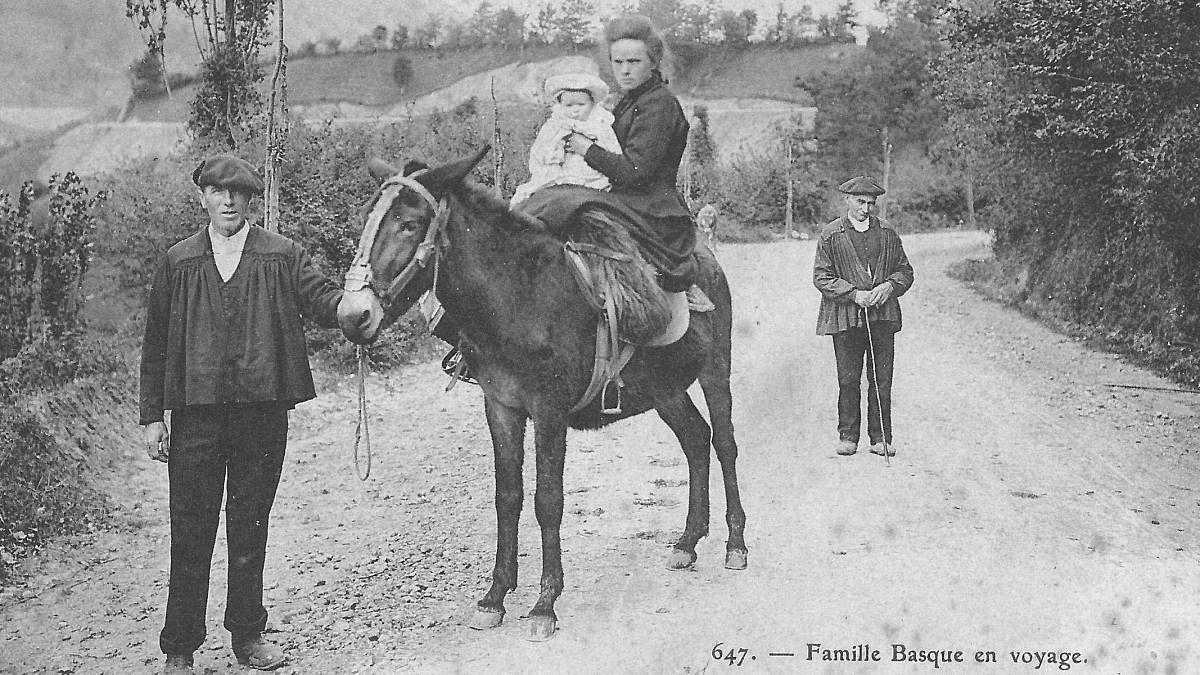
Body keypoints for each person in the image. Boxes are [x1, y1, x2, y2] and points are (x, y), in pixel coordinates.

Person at [140, 154, 346, 674]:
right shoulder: (179, 260)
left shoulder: (281, 255)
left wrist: (355, 310)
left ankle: (247, 634)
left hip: (261, 414)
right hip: (196, 417)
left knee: (250, 526)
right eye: (216, 190)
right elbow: (157, 342)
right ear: (202, 197)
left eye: (237, 192)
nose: (227, 200)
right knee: (190, 529)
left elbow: (322, 299)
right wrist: (151, 416)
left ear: (250, 198)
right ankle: (181, 644)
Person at [563, 14, 697, 294]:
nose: (625, 70)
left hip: (651, 207)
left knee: (559, 209)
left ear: (653, 61)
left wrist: (586, 149)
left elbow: (636, 171)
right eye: (618, 62)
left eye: (634, 62)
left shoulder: (659, 104)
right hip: (625, 199)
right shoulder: (630, 100)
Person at [812, 176, 915, 458]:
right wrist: (854, 294)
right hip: (846, 318)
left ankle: (881, 437)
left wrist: (889, 286)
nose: (866, 209)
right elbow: (821, 277)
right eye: (860, 202)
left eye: (871, 203)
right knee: (848, 378)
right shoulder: (831, 235)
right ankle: (848, 436)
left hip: (882, 317)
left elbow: (905, 271)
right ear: (846, 200)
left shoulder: (888, 233)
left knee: (881, 377)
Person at [510, 72, 622, 207]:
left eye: (581, 105)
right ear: (561, 106)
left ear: (592, 104)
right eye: (569, 105)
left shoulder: (599, 124)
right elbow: (541, 147)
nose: (575, 110)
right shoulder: (557, 123)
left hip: (591, 172)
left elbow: (613, 149)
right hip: (562, 170)